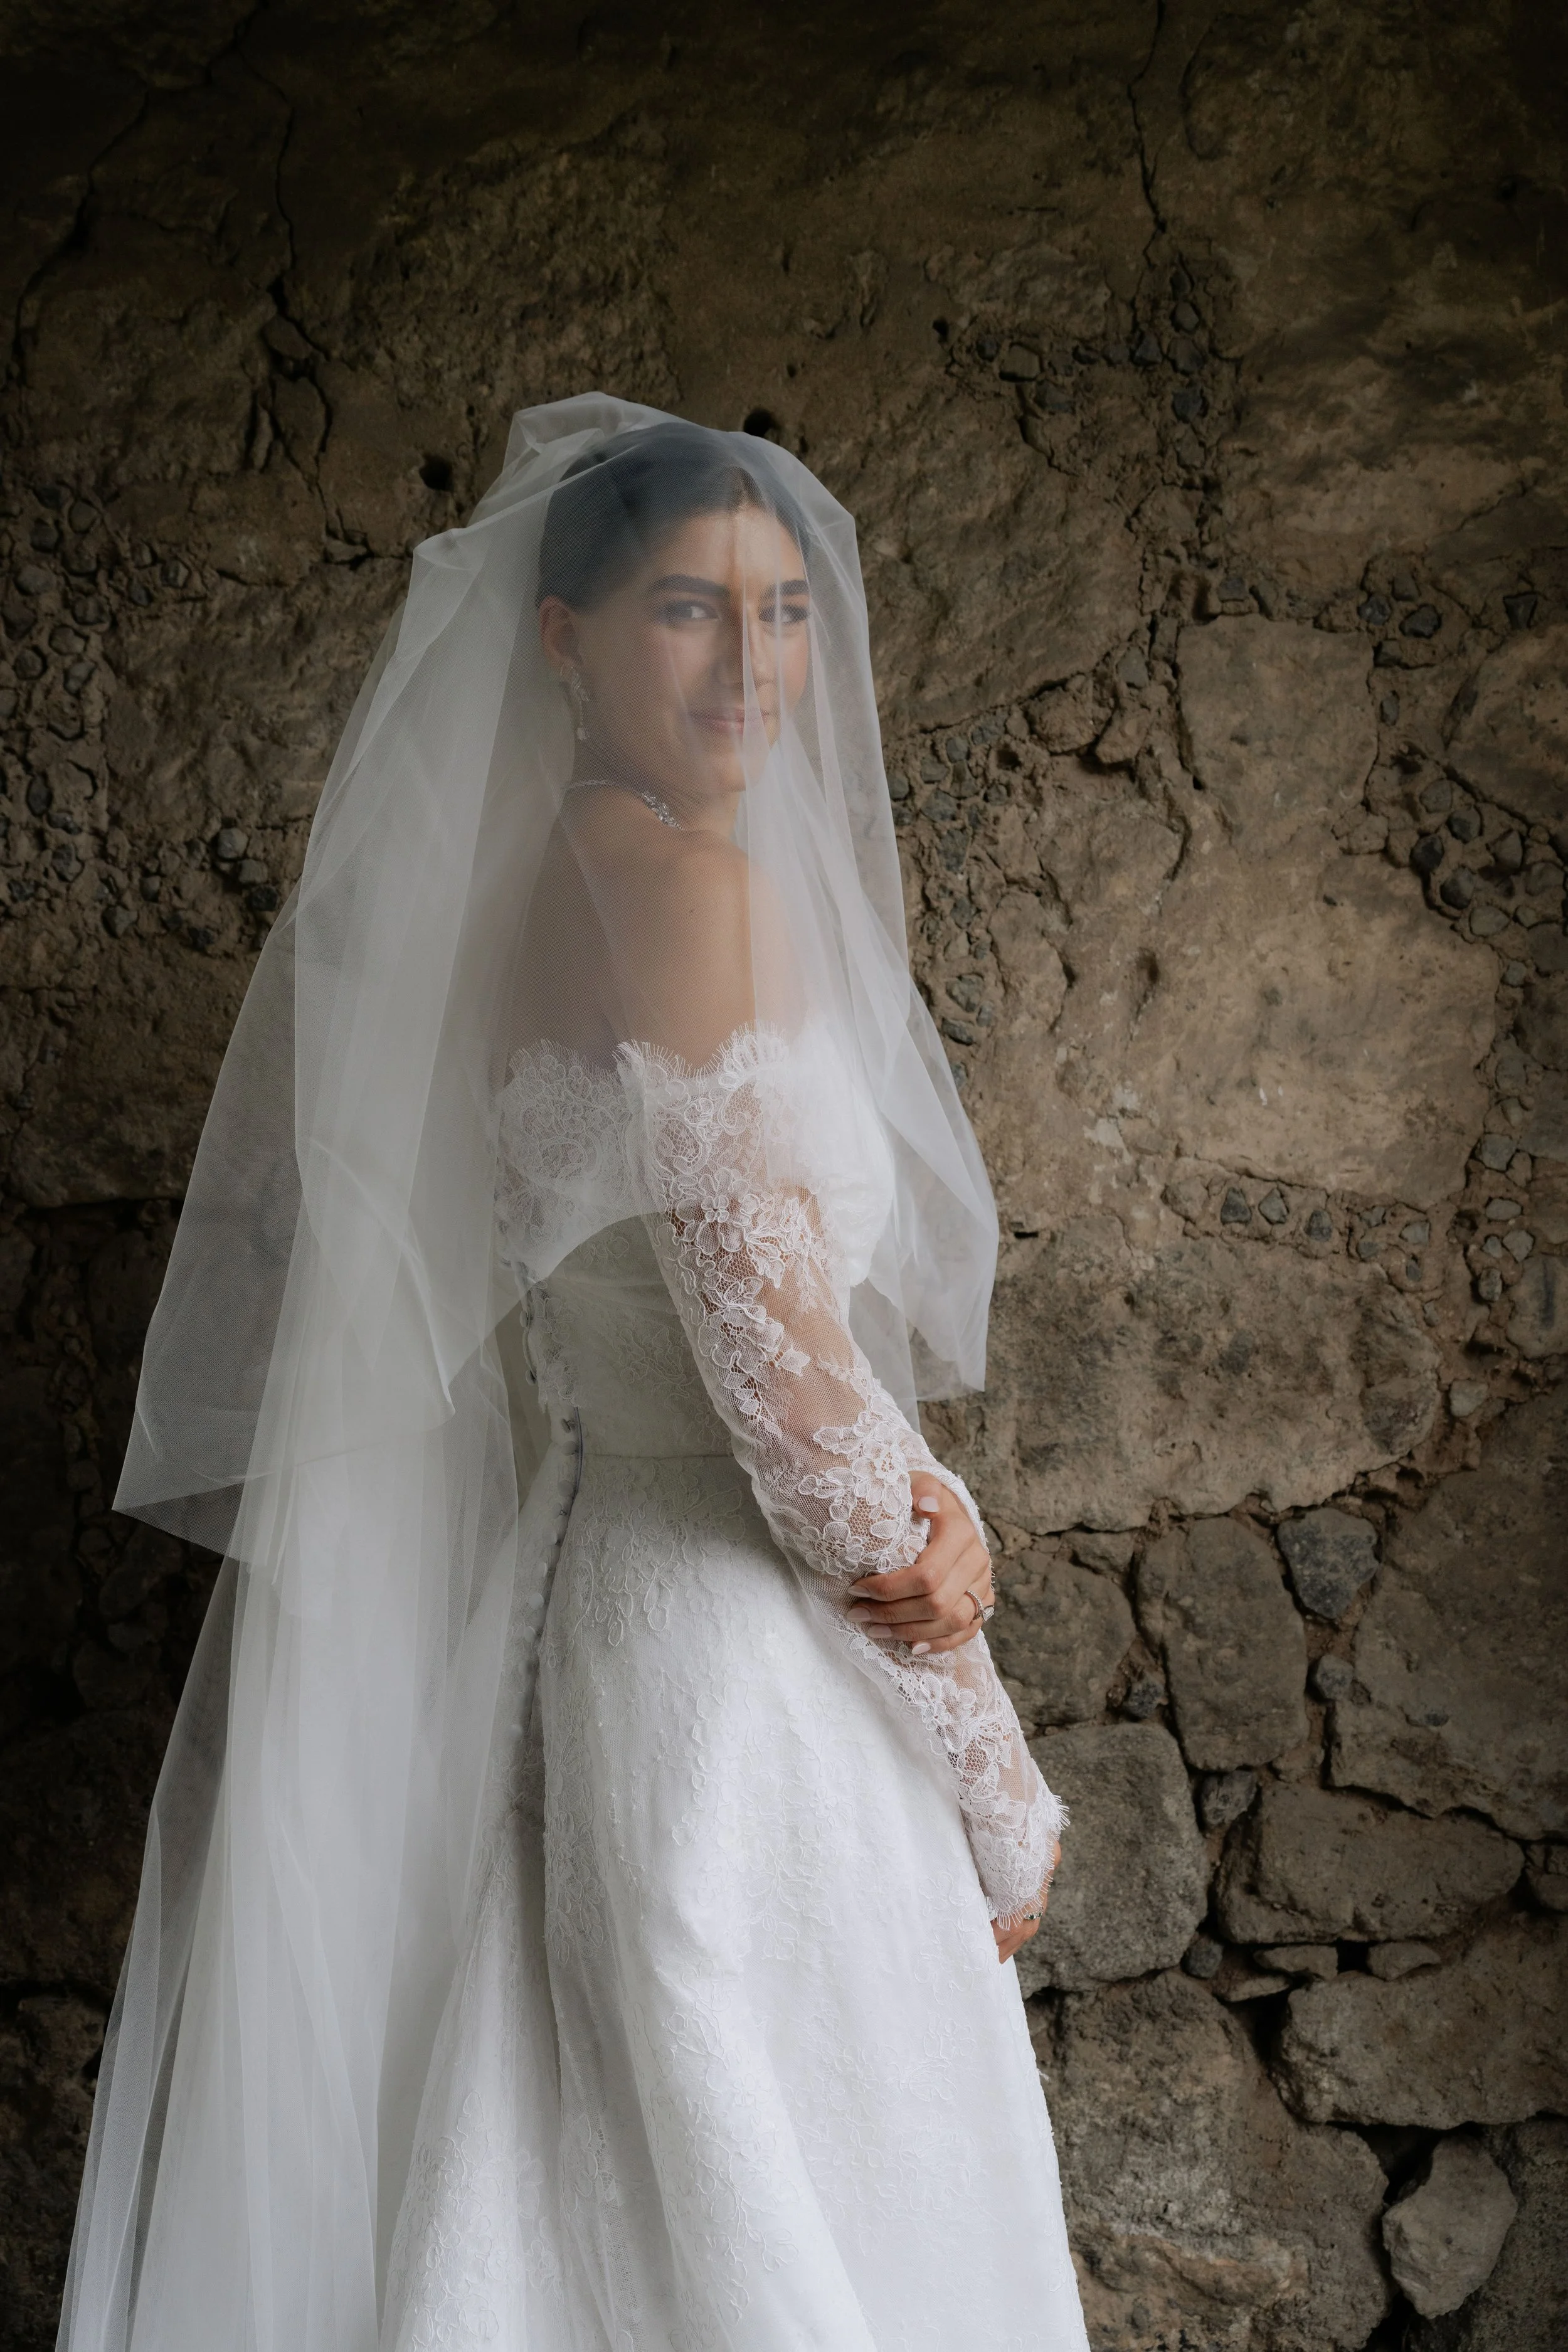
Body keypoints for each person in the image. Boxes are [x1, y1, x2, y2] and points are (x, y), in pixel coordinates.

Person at [58, 398, 1086, 2352]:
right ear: (563, 637)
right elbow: (786, 1414)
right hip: (735, 1666)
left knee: (566, 2207)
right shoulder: (691, 898)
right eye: (689, 611)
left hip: (577, 1611)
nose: (756, 663)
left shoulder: (531, 886)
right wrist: (992, 1767)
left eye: (784, 612)